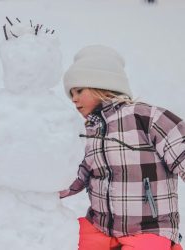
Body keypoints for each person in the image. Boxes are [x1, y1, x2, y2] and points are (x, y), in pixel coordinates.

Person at [60, 45, 184, 250]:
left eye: (78, 90)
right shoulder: (86, 132)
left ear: (101, 84)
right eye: (71, 94)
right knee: (62, 237)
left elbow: (181, 147)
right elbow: (74, 177)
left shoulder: (145, 117)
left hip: (149, 228)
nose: (73, 99)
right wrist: (39, 187)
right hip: (100, 227)